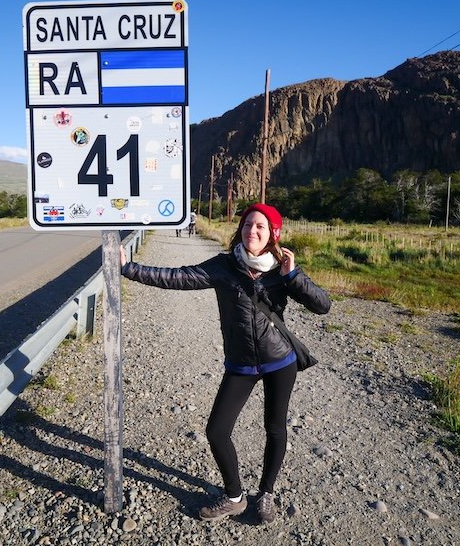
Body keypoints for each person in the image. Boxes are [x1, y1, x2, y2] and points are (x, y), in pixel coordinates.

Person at [120, 203, 331, 524]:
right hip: (241, 363)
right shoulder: (224, 266)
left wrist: (294, 276)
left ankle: (266, 494)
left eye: (260, 226)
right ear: (240, 229)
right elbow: (179, 277)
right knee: (217, 431)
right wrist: (129, 268)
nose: (252, 231)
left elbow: (322, 306)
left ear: (274, 233)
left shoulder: (282, 270)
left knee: (275, 428)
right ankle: (234, 497)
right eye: (248, 225)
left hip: (279, 360)